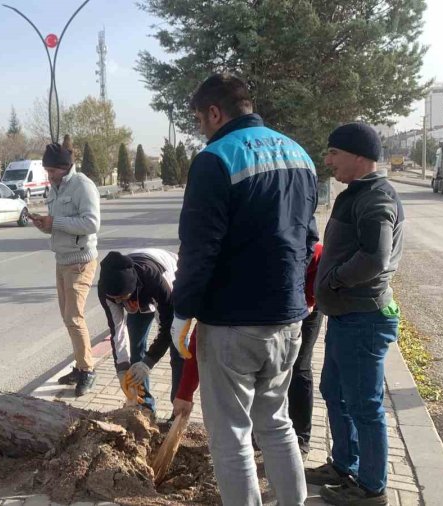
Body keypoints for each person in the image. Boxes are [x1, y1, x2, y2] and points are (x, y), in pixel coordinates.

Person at [170, 73, 319, 506]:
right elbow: (309, 239)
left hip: (233, 323)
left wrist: (183, 312)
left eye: (200, 119)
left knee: (232, 436)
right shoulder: (300, 155)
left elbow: (199, 249)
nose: (201, 127)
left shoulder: (215, 159)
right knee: (277, 424)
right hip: (288, 319)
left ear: (215, 112)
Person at [308, 123, 405, 506]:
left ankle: (371, 488)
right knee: (334, 391)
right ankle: (344, 465)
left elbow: (376, 257)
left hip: (364, 318)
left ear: (359, 158)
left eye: (335, 153)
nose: (328, 160)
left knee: (364, 404)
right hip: (346, 316)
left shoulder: (376, 197)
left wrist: (333, 281)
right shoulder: (356, 193)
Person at [31, 135, 101, 397]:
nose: (48, 175)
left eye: (51, 170)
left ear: (64, 167)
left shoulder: (83, 186)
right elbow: (56, 224)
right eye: (47, 170)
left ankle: (87, 370)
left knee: (74, 317)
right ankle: (80, 366)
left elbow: (91, 223)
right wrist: (43, 225)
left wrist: (55, 223)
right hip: (62, 260)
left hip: (80, 261)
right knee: (67, 318)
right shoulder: (56, 187)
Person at [97, 249, 184, 411]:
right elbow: (117, 330)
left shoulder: (155, 279)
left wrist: (149, 362)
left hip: (170, 283)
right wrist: (122, 368)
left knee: (179, 350)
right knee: (136, 348)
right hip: (140, 296)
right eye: (115, 299)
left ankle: (178, 408)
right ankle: (144, 406)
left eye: (122, 298)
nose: (118, 302)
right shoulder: (105, 289)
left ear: (133, 287)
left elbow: (168, 327)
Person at [289, 243, 325, 455]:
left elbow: (320, 260)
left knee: (299, 365)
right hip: (277, 302)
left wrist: (309, 300)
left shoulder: (311, 250)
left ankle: (301, 436)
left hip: (309, 302)